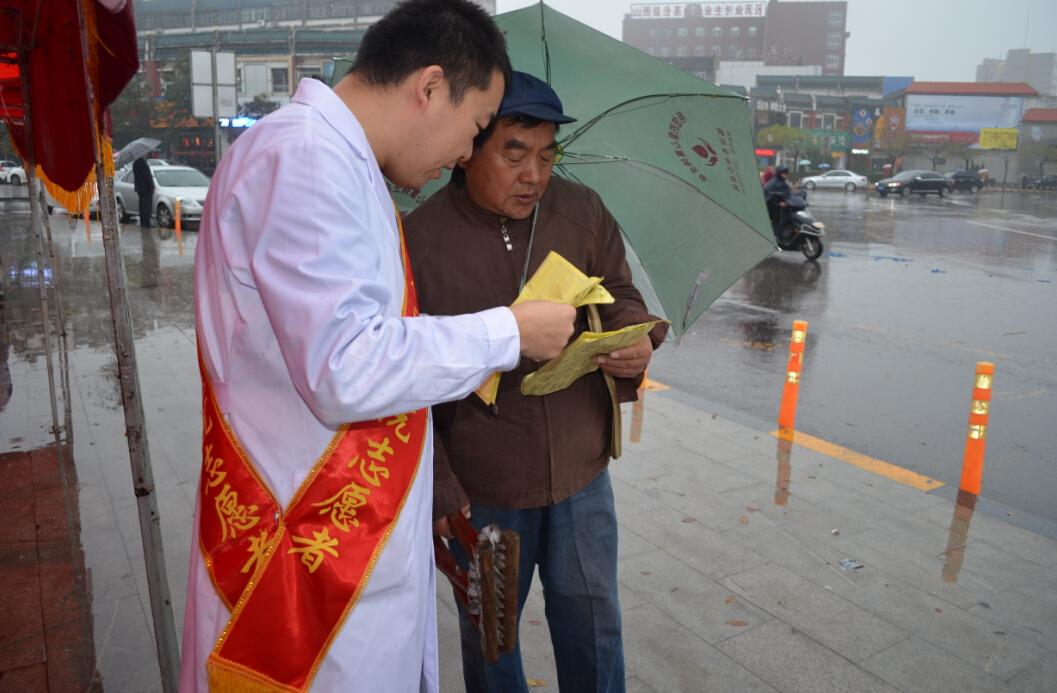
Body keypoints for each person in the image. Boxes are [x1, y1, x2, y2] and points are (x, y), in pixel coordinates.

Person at [182, 2, 576, 691]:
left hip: (332, 536)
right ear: (427, 89)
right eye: (476, 128)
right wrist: (509, 331)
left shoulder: (335, 160)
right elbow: (347, 364)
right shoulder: (305, 158)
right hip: (301, 558)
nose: (465, 153)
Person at [405, 71, 666, 693]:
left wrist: (638, 337)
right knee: (491, 639)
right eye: (515, 153)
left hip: (581, 473)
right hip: (483, 484)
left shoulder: (581, 211)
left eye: (548, 156)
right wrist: (438, 482)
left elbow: (623, 293)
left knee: (595, 626)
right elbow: (404, 374)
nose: (535, 175)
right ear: (468, 149)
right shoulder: (418, 240)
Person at [764, 164, 793, 241]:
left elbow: (787, 194)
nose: (786, 174)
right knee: (781, 218)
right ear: (779, 173)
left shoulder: (782, 182)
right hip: (773, 207)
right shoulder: (773, 183)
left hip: (782, 205)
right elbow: (769, 196)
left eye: (787, 173)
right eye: (784, 173)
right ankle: (777, 236)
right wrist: (778, 203)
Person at [132, 155, 154, 227]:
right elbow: (147, 176)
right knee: (147, 207)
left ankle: (143, 222)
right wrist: (151, 186)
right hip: (146, 189)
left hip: (139, 189)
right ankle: (146, 223)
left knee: (142, 206)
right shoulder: (143, 163)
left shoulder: (135, 163)